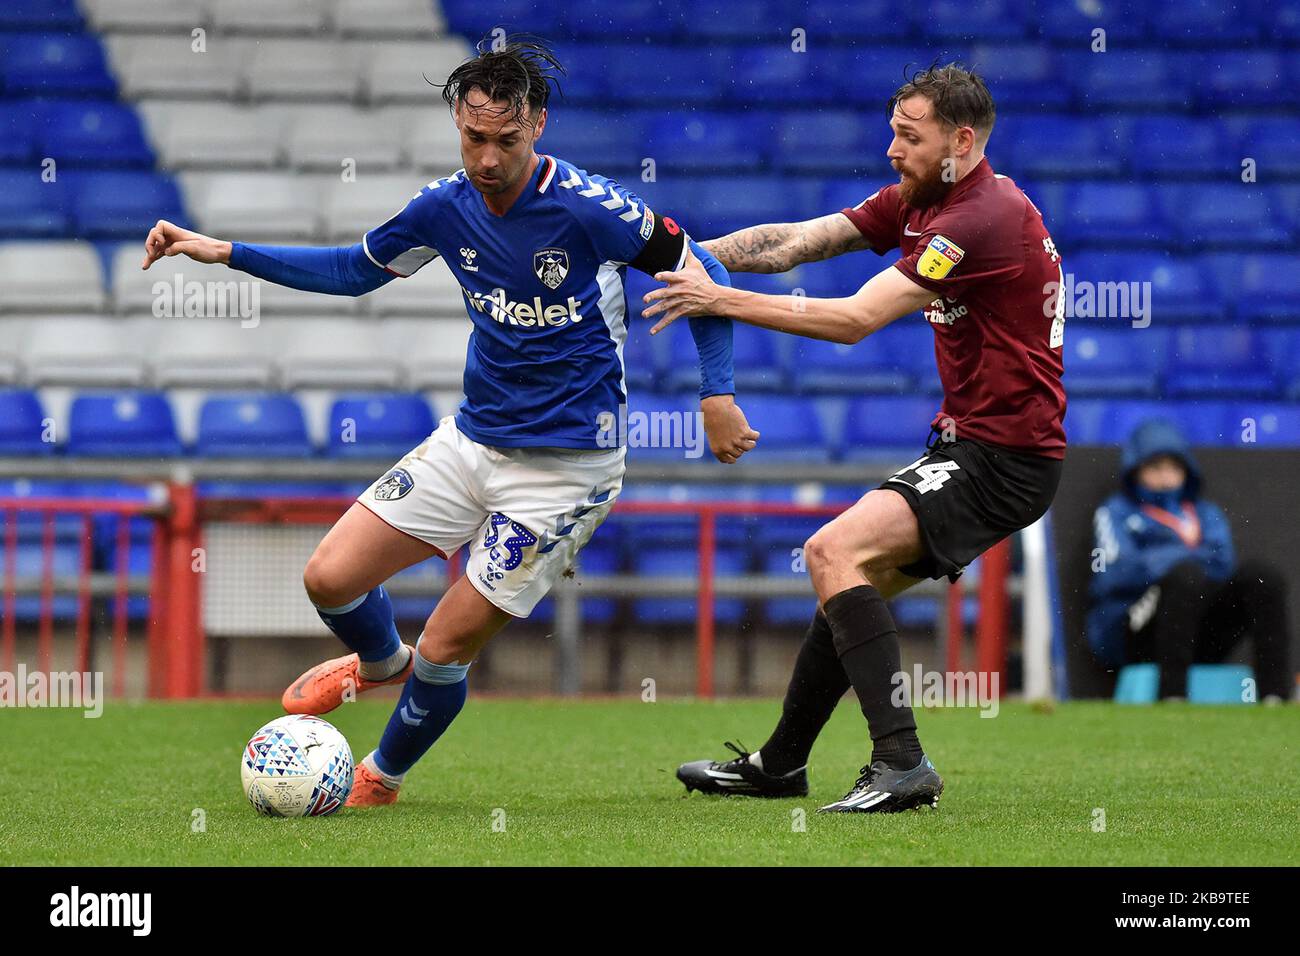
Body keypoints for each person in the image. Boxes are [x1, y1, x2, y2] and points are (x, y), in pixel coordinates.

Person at [141, 37, 759, 807]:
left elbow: (708, 271)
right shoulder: (444, 208)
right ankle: (378, 665)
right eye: (474, 139)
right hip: (470, 443)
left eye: (505, 140)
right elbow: (352, 273)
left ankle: (379, 777)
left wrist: (717, 393)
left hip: (565, 472)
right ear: (457, 128)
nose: (488, 158)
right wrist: (225, 251)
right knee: (329, 577)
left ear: (536, 126)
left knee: (445, 644)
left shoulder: (590, 209)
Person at [645, 63, 1066, 812]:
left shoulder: (979, 219)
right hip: (979, 447)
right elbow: (800, 242)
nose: (891, 150)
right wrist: (684, 254)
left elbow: (853, 321)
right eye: (893, 132)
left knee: (830, 552)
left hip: (1006, 456)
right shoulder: (921, 198)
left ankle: (901, 762)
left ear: (960, 141)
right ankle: (780, 765)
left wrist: (718, 297)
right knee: (847, 584)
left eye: (909, 136)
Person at [1087, 419, 1291, 702]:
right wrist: (1180, 561)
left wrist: (1170, 559)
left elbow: (1224, 563)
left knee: (1262, 577)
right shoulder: (1116, 512)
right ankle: (1173, 696)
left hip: (1198, 633)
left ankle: (1275, 696)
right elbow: (1114, 572)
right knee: (1185, 577)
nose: (1165, 476)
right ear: (1136, 470)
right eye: (1155, 467)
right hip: (1135, 632)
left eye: (1173, 467)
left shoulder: (1204, 513)